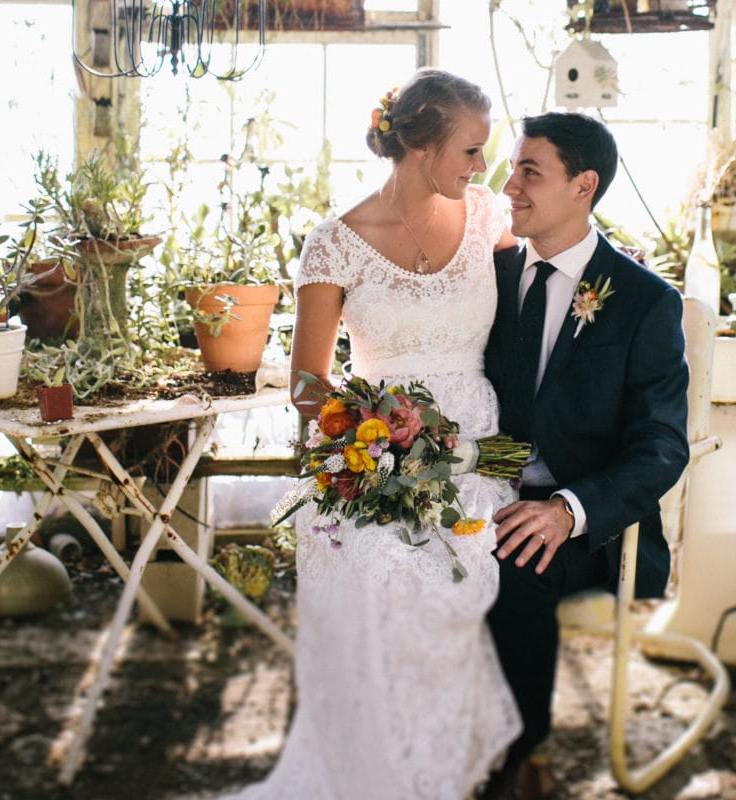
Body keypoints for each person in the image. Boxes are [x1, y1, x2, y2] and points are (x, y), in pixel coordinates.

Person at [223, 69, 521, 799]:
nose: (482, 166)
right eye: (472, 149)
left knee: (442, 575)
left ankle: (440, 771)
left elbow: (549, 291)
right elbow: (304, 385)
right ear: (421, 145)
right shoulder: (334, 244)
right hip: (370, 455)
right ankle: (379, 775)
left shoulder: (488, 218)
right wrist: (371, 442)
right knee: (373, 566)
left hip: (479, 450)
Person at [482, 112, 691, 798]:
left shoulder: (643, 302)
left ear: (584, 185)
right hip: (486, 489)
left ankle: (522, 755)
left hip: (590, 525)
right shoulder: (491, 274)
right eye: (512, 167)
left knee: (516, 562)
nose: (508, 184)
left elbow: (661, 445)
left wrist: (567, 512)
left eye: (529, 171)